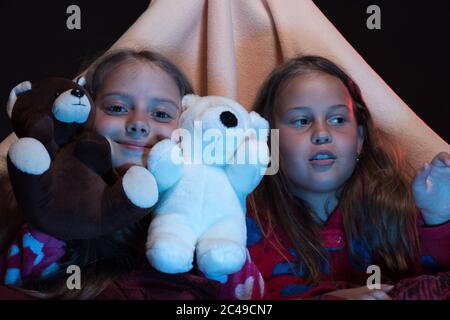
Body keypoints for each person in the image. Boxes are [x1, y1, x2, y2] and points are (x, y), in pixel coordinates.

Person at [221, 55, 450, 300]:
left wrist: (439, 218)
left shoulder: (396, 205)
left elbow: (433, 279)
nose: (321, 134)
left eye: (337, 119)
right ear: (267, 139)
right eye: (301, 121)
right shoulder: (246, 221)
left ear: (360, 139)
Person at [0, 49, 219, 299]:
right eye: (116, 108)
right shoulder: (22, 194)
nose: (138, 123)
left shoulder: (202, 212)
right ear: (85, 113)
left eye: (160, 114)